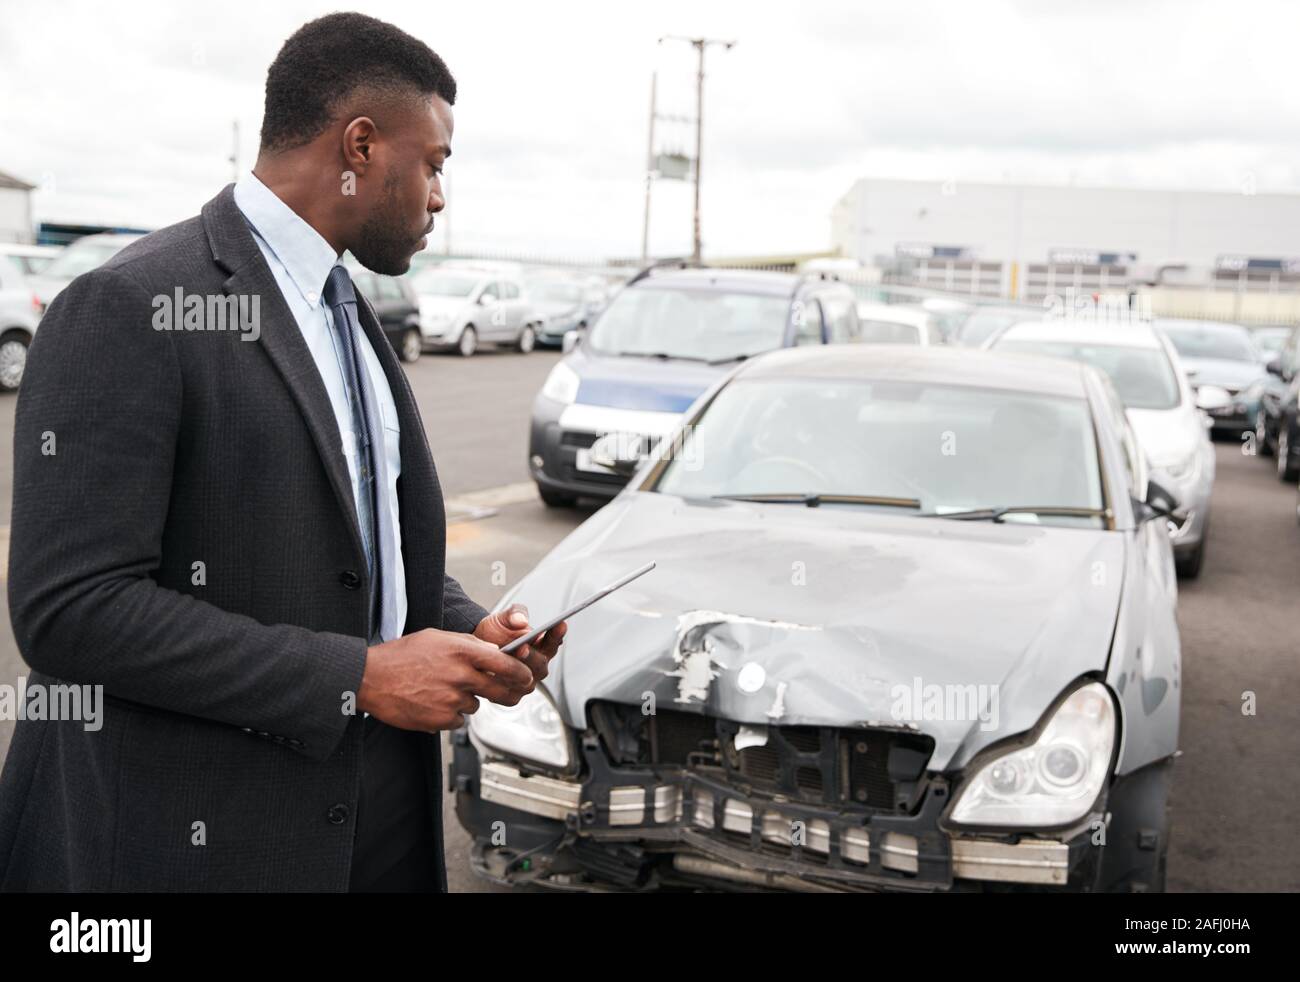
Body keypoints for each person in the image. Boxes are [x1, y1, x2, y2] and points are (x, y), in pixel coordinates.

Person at [0, 11, 564, 892]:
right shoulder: (130, 304)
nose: (441, 197)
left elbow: (355, 547)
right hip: (198, 838)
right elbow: (69, 609)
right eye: (436, 164)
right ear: (363, 145)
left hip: (376, 816)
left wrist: (465, 630)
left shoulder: (349, 309)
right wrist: (359, 678)